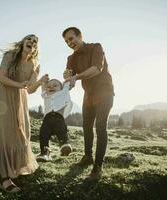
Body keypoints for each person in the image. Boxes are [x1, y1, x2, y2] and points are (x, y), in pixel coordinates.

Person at [0, 34, 48, 192]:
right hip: (4, 96)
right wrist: (18, 84)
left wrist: (40, 81)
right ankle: (3, 178)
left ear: (35, 47)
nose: (32, 42)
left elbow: (29, 89)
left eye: (35, 41)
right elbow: (1, 78)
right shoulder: (9, 56)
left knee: (22, 132)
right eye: (29, 39)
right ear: (23, 42)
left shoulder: (34, 64)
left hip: (20, 99)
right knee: (5, 132)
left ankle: (14, 168)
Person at [62, 27, 114, 180]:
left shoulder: (96, 47)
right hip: (88, 95)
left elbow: (97, 69)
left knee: (100, 127)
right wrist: (67, 79)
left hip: (104, 91)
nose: (69, 43)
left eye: (71, 39)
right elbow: (71, 83)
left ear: (80, 36)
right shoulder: (70, 59)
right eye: (66, 41)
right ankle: (87, 156)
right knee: (86, 126)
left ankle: (98, 167)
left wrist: (75, 77)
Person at [36, 78, 73, 162]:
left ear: (61, 88)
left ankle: (64, 145)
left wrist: (67, 80)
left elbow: (66, 86)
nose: (51, 87)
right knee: (43, 135)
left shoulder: (63, 93)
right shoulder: (46, 95)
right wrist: (44, 83)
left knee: (62, 131)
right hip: (47, 120)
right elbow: (43, 88)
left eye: (55, 85)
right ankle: (45, 152)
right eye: (48, 86)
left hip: (58, 118)